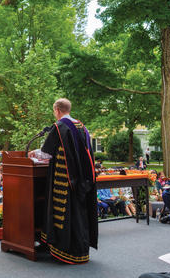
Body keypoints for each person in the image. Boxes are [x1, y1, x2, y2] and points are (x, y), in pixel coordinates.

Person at [38, 98, 97, 264]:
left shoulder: (59, 127)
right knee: (79, 213)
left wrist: (33, 154)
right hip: (81, 181)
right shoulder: (82, 127)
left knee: (67, 214)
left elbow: (45, 154)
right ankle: (81, 252)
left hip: (64, 181)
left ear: (57, 110)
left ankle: (66, 250)